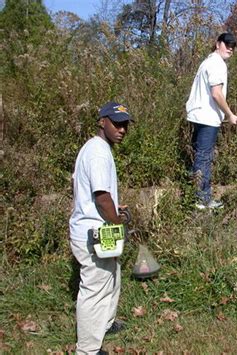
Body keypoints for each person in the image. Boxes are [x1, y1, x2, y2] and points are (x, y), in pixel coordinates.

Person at [69, 102, 132, 354]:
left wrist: (116, 209)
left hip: (100, 229)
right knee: (95, 288)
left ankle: (105, 323)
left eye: (125, 124)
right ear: (101, 121)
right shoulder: (97, 152)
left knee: (111, 275)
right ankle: (87, 350)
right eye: (116, 123)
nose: (122, 129)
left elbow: (102, 196)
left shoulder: (98, 147)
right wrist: (117, 220)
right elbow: (101, 196)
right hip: (93, 233)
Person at [186, 32, 237, 209]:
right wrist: (230, 114)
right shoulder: (217, 64)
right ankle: (202, 201)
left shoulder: (207, 62)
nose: (230, 48)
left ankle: (196, 196)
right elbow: (216, 93)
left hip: (198, 115)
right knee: (204, 157)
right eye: (227, 44)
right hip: (208, 118)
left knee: (199, 155)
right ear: (218, 44)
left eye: (233, 46)